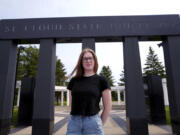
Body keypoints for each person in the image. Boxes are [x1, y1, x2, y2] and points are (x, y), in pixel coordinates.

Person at [66, 48, 112, 135]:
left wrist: (99, 124)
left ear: (95, 61)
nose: (88, 61)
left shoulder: (102, 80)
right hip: (74, 123)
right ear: (81, 62)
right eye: (85, 58)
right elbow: (72, 105)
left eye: (90, 58)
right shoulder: (73, 81)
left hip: (93, 123)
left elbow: (108, 107)